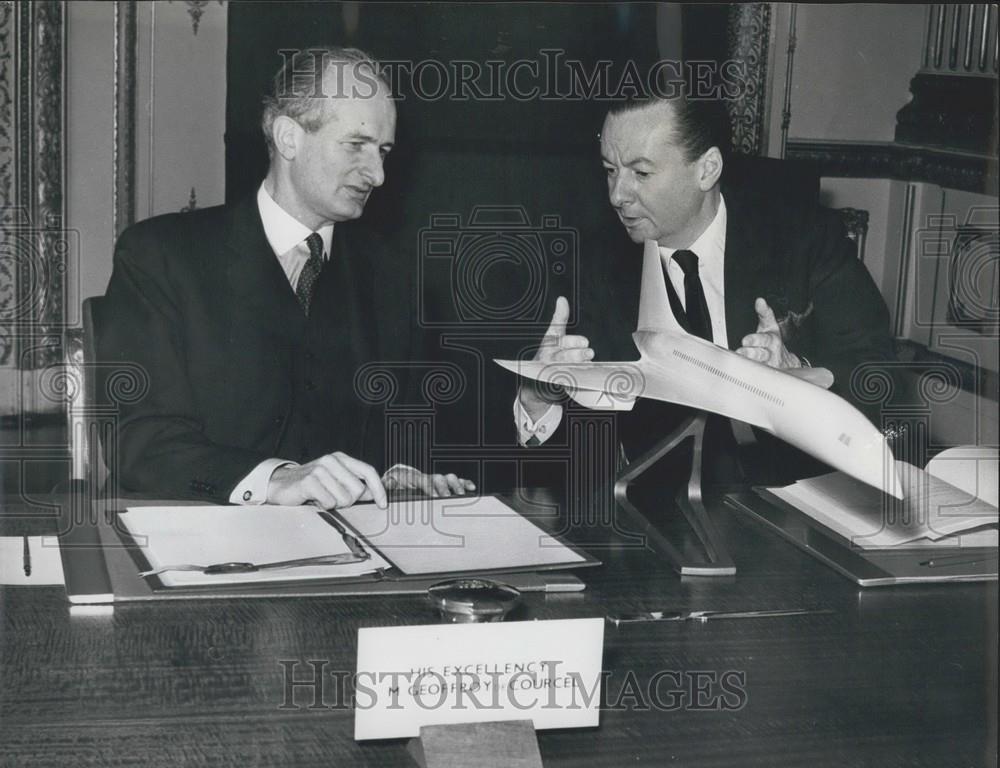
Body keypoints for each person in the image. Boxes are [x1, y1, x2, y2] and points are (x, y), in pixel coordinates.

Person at [99, 46, 474, 509]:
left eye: (383, 151)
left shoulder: (393, 279)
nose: (377, 174)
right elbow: (139, 440)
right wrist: (274, 479)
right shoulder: (161, 256)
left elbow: (409, 432)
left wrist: (398, 473)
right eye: (356, 145)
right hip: (204, 534)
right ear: (288, 138)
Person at [514, 96, 895, 484]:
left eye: (640, 173)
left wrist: (797, 376)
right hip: (653, 504)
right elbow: (569, 467)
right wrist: (539, 400)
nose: (617, 195)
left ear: (707, 169)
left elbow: (879, 377)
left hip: (788, 496)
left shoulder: (805, 240)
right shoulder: (590, 265)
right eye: (610, 170)